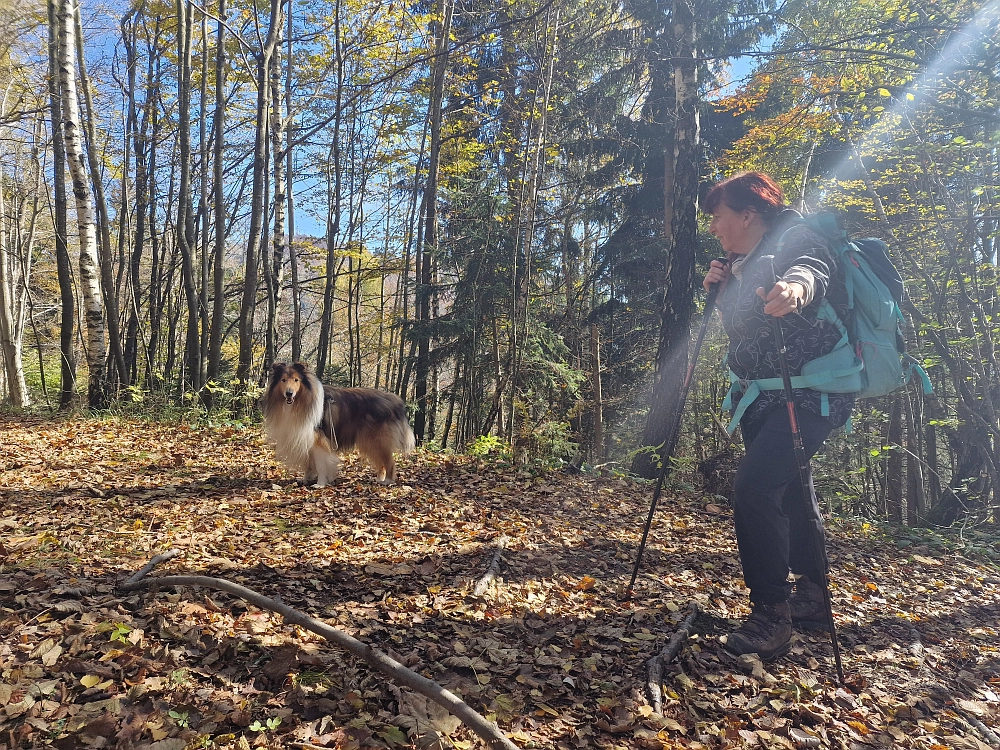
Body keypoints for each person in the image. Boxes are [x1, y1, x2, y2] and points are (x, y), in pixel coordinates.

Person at [701, 172, 855, 661]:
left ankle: (771, 613)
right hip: (763, 397)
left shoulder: (796, 238)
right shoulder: (737, 263)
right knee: (789, 489)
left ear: (748, 214)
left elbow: (813, 269)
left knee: (755, 486)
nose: (713, 227)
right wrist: (720, 293)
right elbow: (742, 333)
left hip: (811, 392)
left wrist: (796, 288)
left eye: (718, 216)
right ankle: (813, 596)